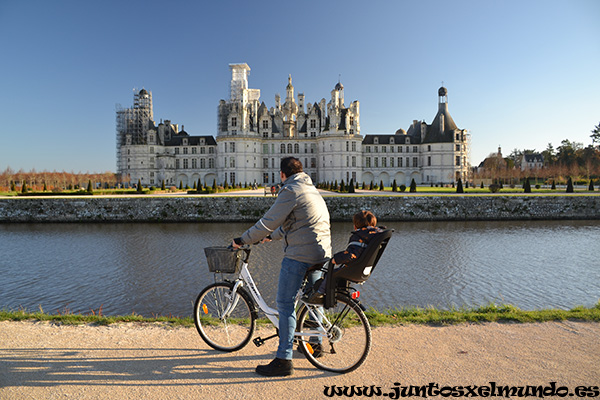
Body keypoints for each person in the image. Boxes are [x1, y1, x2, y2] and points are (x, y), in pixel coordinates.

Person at [232, 157, 331, 377]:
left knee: (285, 304)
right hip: (321, 253)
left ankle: (283, 360)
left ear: (282, 174)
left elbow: (268, 221)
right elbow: (297, 224)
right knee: (312, 299)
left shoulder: (290, 190)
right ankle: (314, 344)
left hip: (300, 254)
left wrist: (243, 239)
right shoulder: (310, 189)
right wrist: (270, 238)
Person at [305, 210, 382, 304]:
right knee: (333, 273)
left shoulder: (359, 237)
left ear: (355, 226)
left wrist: (336, 259)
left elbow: (351, 255)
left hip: (354, 270)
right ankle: (340, 294)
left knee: (330, 274)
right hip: (362, 270)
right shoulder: (372, 236)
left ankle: (319, 294)